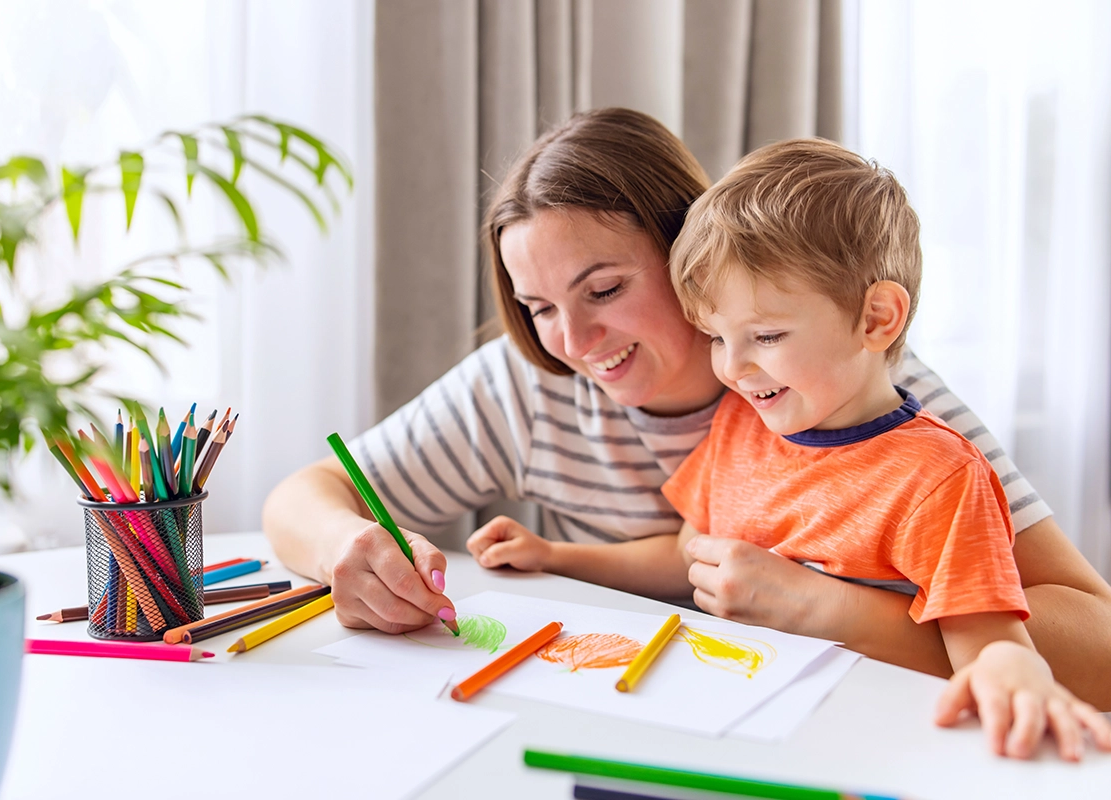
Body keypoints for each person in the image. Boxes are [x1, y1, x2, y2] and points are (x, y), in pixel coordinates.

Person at [262, 108, 1111, 711]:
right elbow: (301, 497)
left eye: (604, 289)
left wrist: (832, 609)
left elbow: (1097, 648)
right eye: (539, 307)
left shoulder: (853, 389)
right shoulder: (523, 386)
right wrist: (351, 547)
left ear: (692, 254)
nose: (576, 340)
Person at [472, 137, 1111, 759]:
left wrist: (1011, 674)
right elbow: (684, 553)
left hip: (867, 745)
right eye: (717, 338)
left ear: (877, 319)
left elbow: (988, 640)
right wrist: (556, 555)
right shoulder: (743, 423)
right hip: (752, 725)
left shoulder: (939, 476)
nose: (734, 370)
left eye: (767, 335)